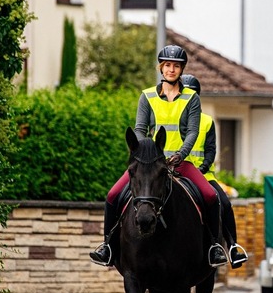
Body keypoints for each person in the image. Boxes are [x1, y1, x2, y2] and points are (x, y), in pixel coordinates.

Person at [89, 45, 227, 268]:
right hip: (150, 163)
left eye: (176, 66)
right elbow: (140, 128)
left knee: (211, 196)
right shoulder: (147, 96)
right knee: (113, 195)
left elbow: (192, 131)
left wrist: (181, 155)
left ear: (181, 70)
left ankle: (214, 247)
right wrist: (143, 151)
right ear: (161, 68)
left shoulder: (192, 98)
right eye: (167, 65)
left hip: (181, 163)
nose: (171, 70)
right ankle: (108, 247)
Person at [179, 74, 247, 268]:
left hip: (202, 174)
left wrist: (202, 168)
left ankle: (231, 246)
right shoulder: (169, 117)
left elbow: (210, 151)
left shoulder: (207, 121)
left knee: (223, 203)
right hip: (173, 171)